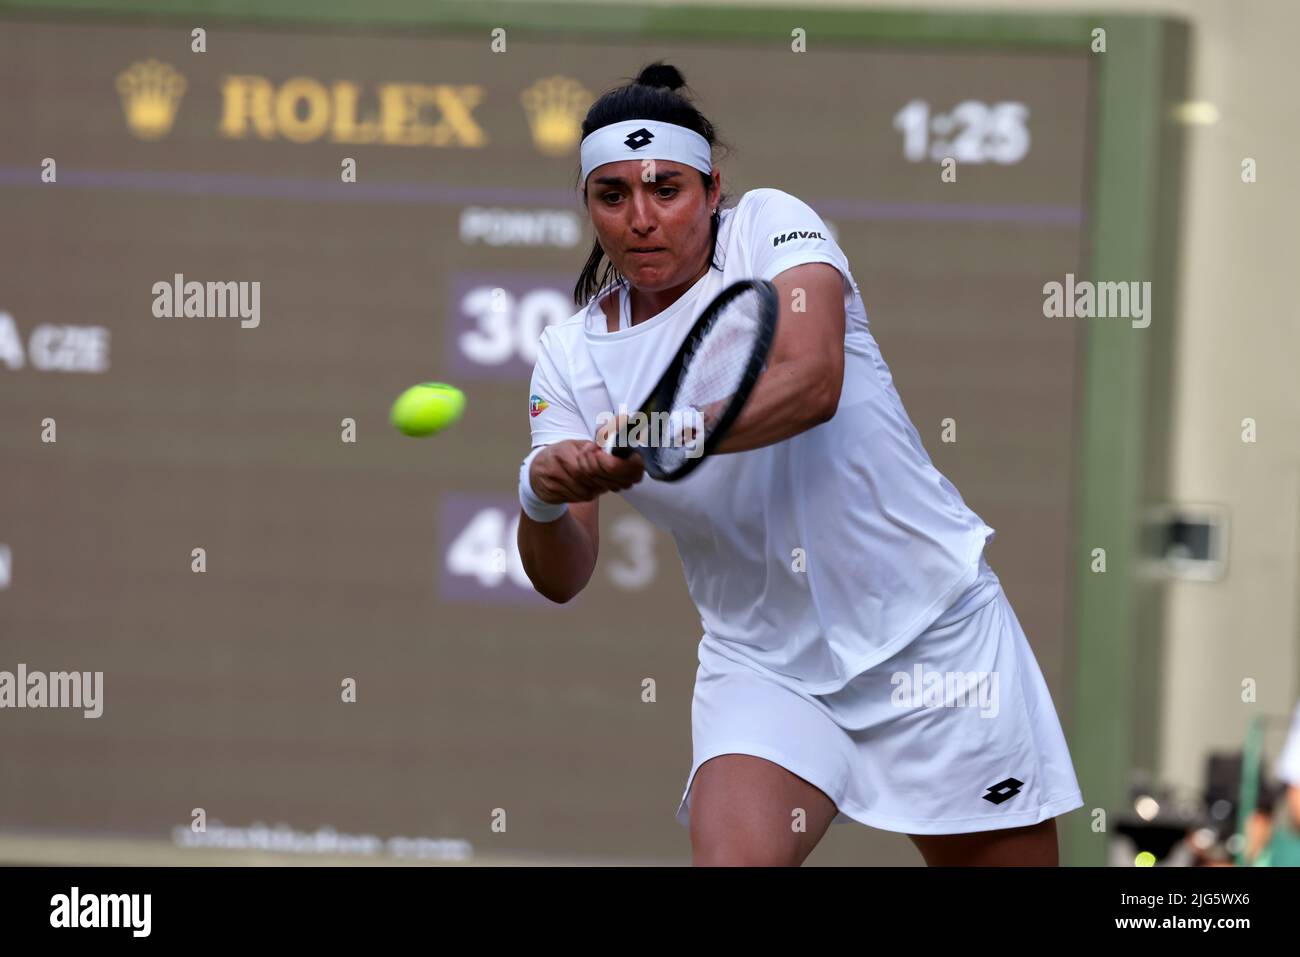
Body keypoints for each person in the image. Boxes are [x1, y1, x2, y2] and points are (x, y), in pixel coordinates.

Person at [516, 61, 1083, 866]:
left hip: (932, 638)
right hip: (765, 668)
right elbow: (562, 575)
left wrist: (660, 434)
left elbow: (813, 381)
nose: (641, 218)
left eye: (666, 189)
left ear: (713, 191)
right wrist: (539, 494)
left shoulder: (772, 227)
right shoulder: (569, 358)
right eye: (613, 196)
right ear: (588, 206)